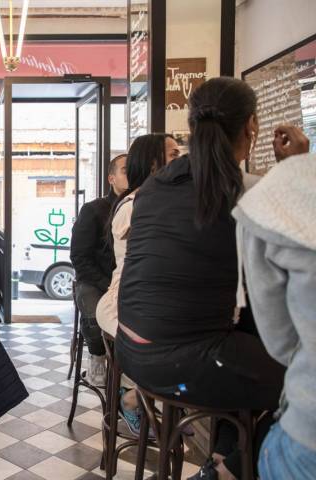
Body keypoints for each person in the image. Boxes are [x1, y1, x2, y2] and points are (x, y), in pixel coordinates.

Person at [115, 77, 286, 480]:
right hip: (182, 361)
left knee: (248, 333)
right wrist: (294, 168)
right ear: (251, 128)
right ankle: (229, 471)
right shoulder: (245, 191)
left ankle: (226, 455)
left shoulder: (155, 186)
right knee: (306, 383)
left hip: (132, 349)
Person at [232, 127, 314, 479]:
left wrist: (295, 169)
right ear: (250, 128)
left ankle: (226, 463)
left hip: (307, 435)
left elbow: (279, 341)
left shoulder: (262, 203)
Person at [95, 133, 174, 435]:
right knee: (161, 342)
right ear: (153, 164)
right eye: (173, 153)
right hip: (125, 303)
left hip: (152, 301)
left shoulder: (163, 201)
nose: (180, 158)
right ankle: (133, 398)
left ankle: (160, 402)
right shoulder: (133, 206)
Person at [69, 154, 127, 385]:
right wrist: (107, 284)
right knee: (95, 315)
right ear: (111, 178)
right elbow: (79, 258)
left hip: (125, 280)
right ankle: (97, 357)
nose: (132, 173)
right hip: (94, 280)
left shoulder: (144, 207)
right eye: (125, 170)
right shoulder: (93, 210)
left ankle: (129, 370)